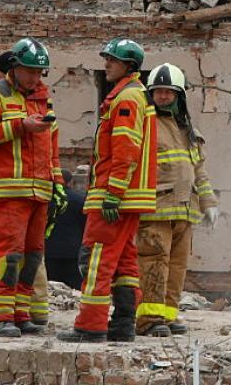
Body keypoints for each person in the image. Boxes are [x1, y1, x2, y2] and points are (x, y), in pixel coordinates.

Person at [58, 38, 159, 344]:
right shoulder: (135, 95)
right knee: (125, 262)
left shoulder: (126, 99)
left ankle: (91, 325)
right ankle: (124, 323)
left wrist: (113, 191)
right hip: (130, 198)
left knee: (96, 260)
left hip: (114, 197)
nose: (107, 63)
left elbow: (125, 150)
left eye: (113, 59)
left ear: (128, 65)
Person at [0, 38, 65, 338]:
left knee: (33, 255)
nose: (35, 78)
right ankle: (0, 315)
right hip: (10, 190)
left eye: (40, 72)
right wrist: (21, 126)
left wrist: (58, 183)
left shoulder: (42, 97)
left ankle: (21, 313)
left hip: (40, 190)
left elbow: (51, 144)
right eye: (30, 71)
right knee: (9, 254)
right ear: (15, 67)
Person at [136, 63, 220, 336]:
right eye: (158, 91)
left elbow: (200, 171)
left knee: (177, 267)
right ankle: (149, 319)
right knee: (154, 263)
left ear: (179, 95)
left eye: (168, 92)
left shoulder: (187, 130)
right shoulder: (146, 122)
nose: (162, 96)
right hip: (156, 208)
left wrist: (209, 204)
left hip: (185, 210)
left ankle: (168, 316)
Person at [45, 166, 88, 289]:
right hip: (73, 253)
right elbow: (85, 226)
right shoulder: (80, 200)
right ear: (70, 182)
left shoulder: (46, 200)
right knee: (75, 290)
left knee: (51, 289)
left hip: (49, 252)